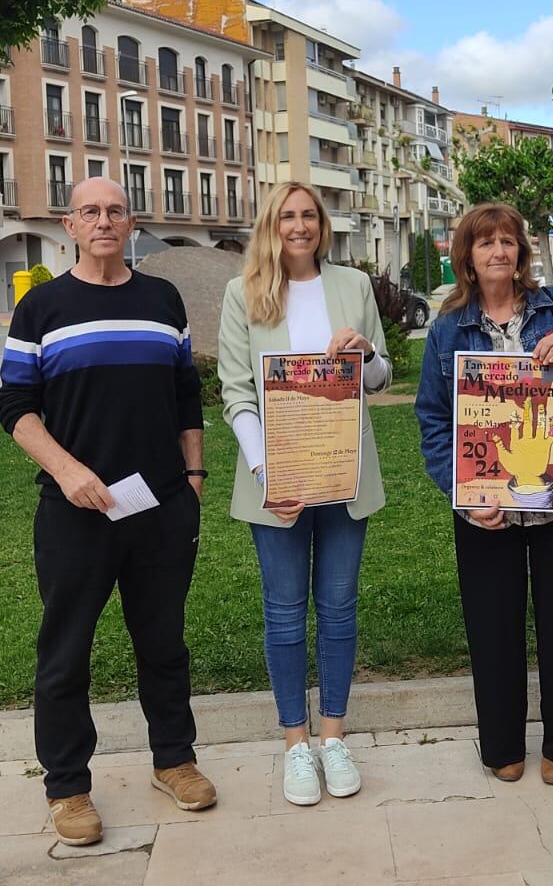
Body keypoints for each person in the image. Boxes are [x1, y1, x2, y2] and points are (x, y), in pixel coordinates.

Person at [0, 176, 216, 848]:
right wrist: (67, 472)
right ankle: (67, 788)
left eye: (115, 210)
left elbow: (185, 395)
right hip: (75, 513)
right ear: (69, 224)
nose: (104, 220)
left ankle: (174, 761)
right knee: (65, 654)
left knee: (163, 644)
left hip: (160, 508)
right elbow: (15, 407)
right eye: (90, 210)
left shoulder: (162, 300)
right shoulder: (42, 308)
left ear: (131, 222)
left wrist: (196, 474)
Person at [415, 202, 553, 787]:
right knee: (492, 627)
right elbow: (432, 419)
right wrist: (462, 492)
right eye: (485, 243)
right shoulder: (449, 328)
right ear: (468, 258)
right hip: (486, 504)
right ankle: (501, 745)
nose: (498, 251)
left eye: (507, 241)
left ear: (521, 252)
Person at [217, 181, 392, 806]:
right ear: (272, 224)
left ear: (322, 225)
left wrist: (367, 352)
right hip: (277, 484)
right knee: (286, 612)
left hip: (343, 477)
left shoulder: (354, 286)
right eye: (287, 216)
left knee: (340, 608)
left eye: (308, 215)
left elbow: (379, 376)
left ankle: (334, 736)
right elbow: (236, 393)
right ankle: (295, 744)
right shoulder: (244, 294)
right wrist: (270, 475)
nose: (299, 226)